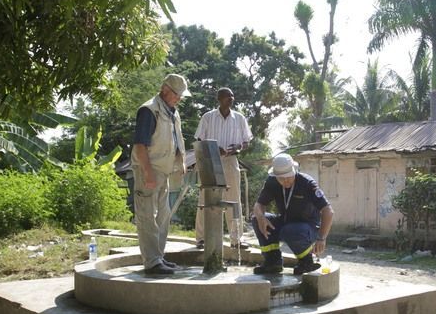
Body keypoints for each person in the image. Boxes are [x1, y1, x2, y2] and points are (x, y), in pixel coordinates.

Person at [131, 74, 190, 275]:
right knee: (148, 216)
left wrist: (180, 161)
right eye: (177, 94)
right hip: (148, 169)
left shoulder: (173, 112)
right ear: (165, 89)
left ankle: (159, 257)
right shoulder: (149, 110)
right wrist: (148, 173)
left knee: (164, 217)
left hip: (164, 171)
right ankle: (152, 261)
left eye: (181, 95)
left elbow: (177, 139)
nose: (179, 98)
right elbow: (140, 146)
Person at [251, 153, 334, 275]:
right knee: (256, 220)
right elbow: (259, 205)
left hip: (308, 227)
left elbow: (328, 211)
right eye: (281, 178)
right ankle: (273, 261)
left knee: (290, 230)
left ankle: (306, 262)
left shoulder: (307, 183)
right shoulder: (272, 182)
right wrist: (261, 217)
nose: (285, 181)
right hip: (286, 222)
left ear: (294, 171)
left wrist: (321, 238)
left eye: (288, 177)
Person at [194, 87, 253, 248]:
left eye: (232, 96)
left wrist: (239, 147)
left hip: (231, 161)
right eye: (228, 96)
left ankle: (236, 240)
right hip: (210, 160)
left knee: (234, 199)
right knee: (205, 198)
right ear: (219, 99)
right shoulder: (208, 117)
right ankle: (201, 239)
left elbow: (247, 141)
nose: (231, 98)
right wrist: (214, 148)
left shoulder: (239, 118)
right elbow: (199, 140)